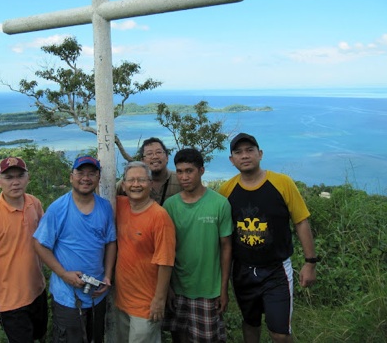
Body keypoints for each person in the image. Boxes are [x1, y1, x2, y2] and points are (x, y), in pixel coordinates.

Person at [218, 133, 318, 343]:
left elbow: (301, 221)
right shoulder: (226, 190)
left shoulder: (282, 183)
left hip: (276, 271)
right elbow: (223, 235)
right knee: (250, 323)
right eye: (238, 152)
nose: (245, 156)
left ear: (260, 154)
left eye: (250, 150)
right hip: (243, 270)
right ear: (231, 159)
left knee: (280, 333)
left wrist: (310, 263)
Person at [33, 156, 117, 343]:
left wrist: (108, 275)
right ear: (71, 177)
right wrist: (63, 274)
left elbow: (111, 242)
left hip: (97, 294)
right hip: (67, 298)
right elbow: (39, 244)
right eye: (80, 173)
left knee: (96, 338)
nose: (85, 178)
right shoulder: (58, 209)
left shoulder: (105, 207)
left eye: (91, 174)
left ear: (98, 178)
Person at [0, 157, 48, 343]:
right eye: (8, 177)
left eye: (20, 176)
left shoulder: (34, 203)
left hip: (38, 291)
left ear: (28, 178)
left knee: (40, 336)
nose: (15, 182)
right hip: (10, 302)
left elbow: (46, 240)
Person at [162, 148, 232, 343]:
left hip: (208, 289)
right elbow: (164, 249)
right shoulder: (170, 206)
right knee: (179, 337)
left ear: (201, 171)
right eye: (180, 171)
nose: (184, 177)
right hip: (178, 287)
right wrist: (167, 287)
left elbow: (226, 248)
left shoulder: (220, 204)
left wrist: (223, 288)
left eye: (189, 171)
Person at [114, 161, 176, 343]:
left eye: (141, 180)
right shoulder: (119, 205)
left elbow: (165, 262)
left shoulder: (159, 217)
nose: (136, 184)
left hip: (146, 304)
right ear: (123, 185)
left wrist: (159, 300)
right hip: (121, 300)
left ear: (150, 183)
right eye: (131, 180)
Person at [117, 137, 182, 205]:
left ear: (167, 157)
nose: (155, 157)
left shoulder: (179, 180)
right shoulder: (131, 183)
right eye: (149, 154)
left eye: (159, 152)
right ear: (142, 161)